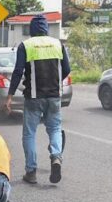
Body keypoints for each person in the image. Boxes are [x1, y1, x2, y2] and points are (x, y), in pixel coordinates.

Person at [5, 15, 70, 185]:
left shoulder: (26, 45)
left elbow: (18, 71)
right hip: (54, 96)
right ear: (47, 28)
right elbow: (67, 69)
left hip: (34, 97)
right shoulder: (58, 44)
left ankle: (31, 171)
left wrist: (10, 95)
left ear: (32, 30)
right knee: (55, 128)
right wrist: (55, 83)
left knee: (29, 133)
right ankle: (56, 157)